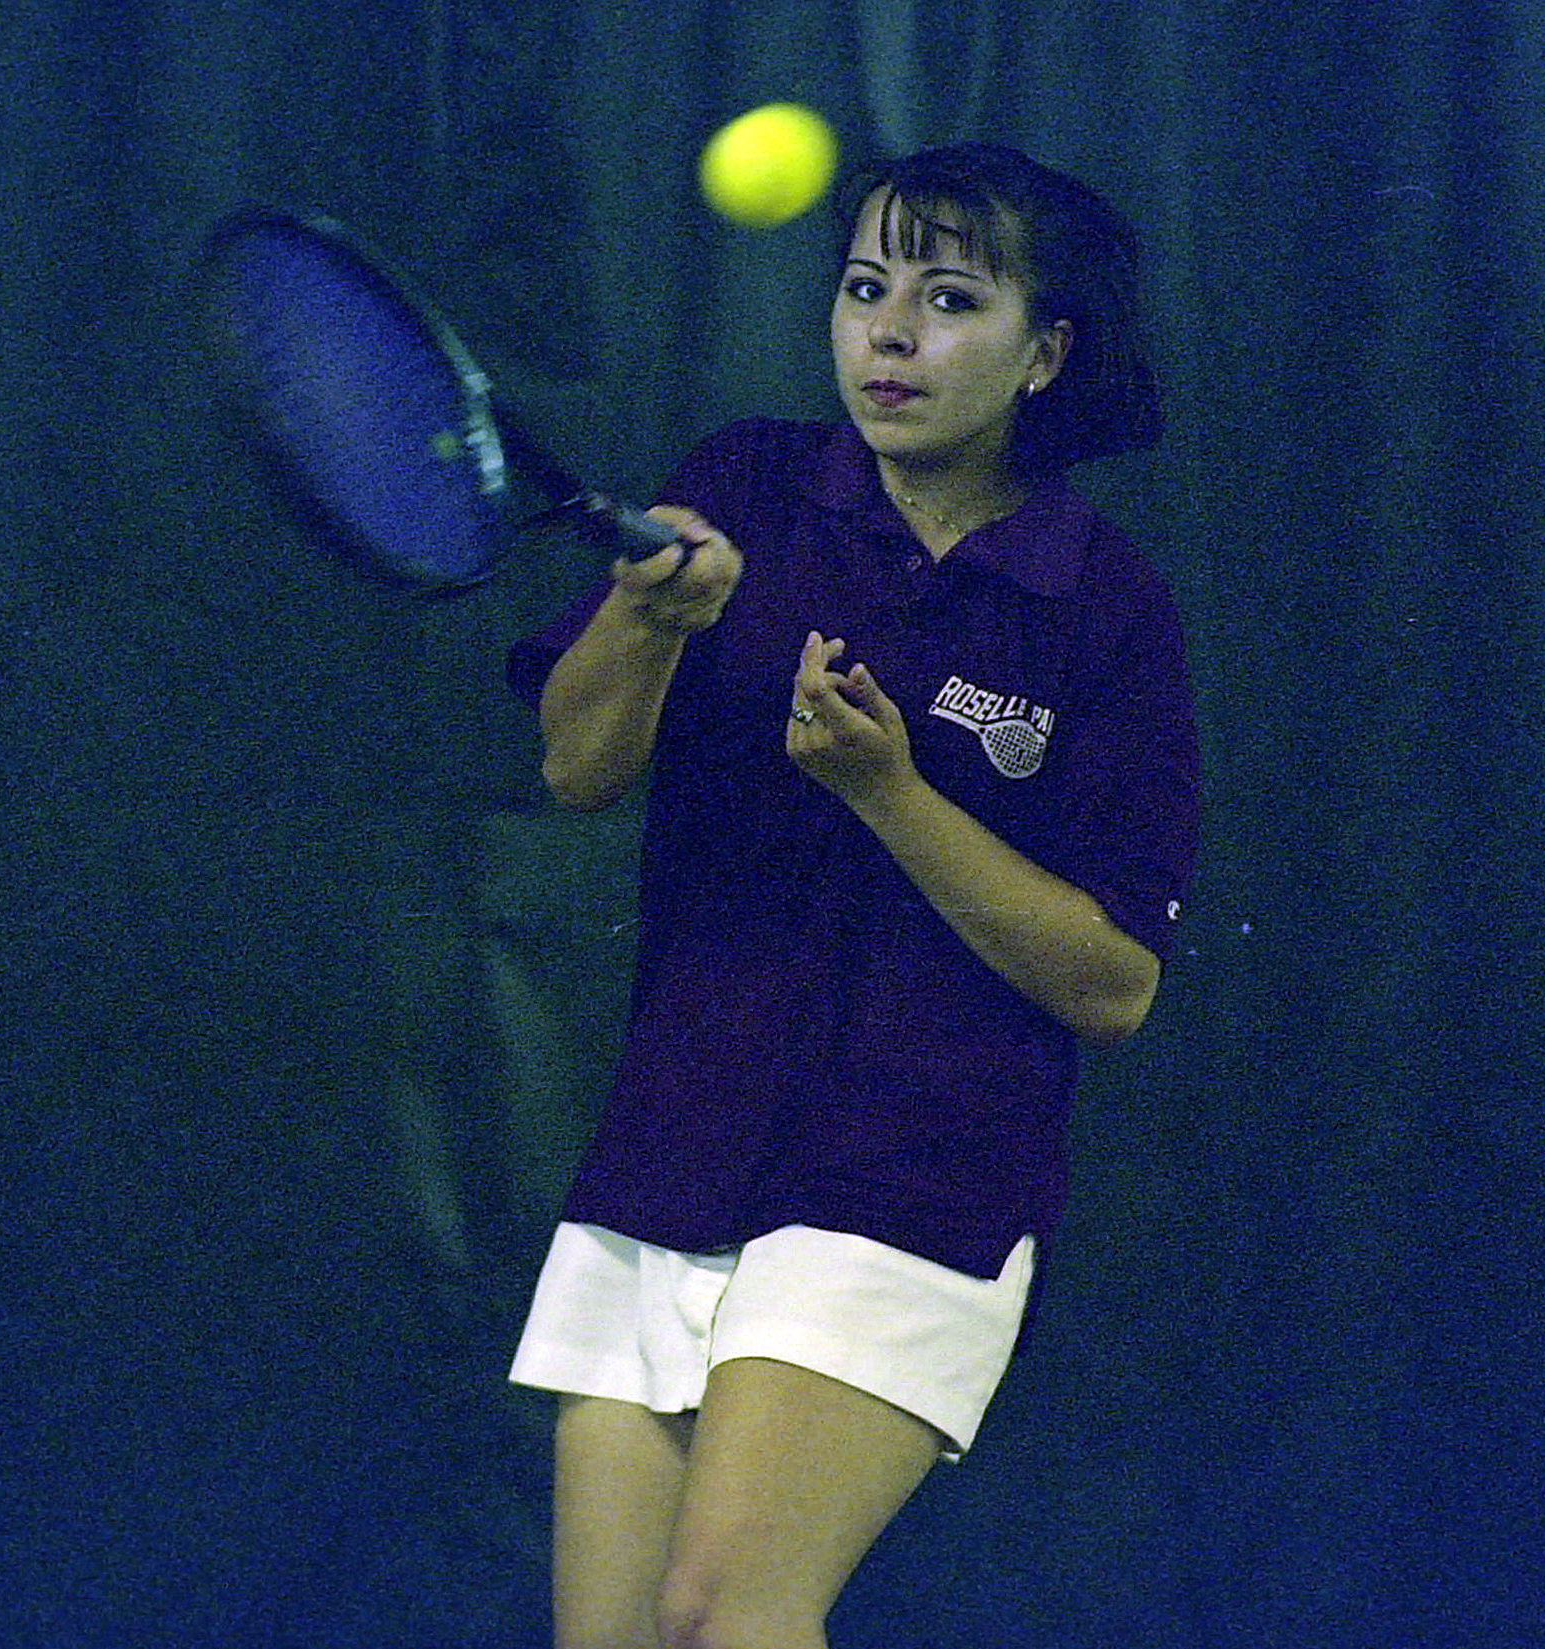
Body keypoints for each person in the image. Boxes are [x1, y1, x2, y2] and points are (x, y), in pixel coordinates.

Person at [502, 142, 1202, 1649]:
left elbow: (1114, 984)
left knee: (724, 1617)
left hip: (913, 1179)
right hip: (674, 1144)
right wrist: (646, 618)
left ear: (1045, 352)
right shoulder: (745, 488)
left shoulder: (1104, 608)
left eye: (948, 300)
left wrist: (890, 791)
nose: (888, 331)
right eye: (866, 287)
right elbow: (575, 765)